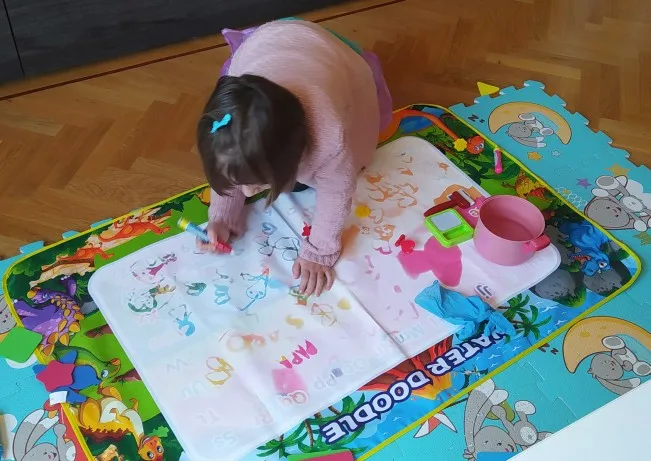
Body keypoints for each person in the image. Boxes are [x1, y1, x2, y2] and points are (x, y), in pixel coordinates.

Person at [196, 18, 392, 297]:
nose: (249, 192)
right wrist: (222, 218)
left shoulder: (329, 134)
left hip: (330, 59)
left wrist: (320, 252)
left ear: (296, 154)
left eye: (257, 183)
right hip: (270, 44)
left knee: (325, 176)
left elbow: (337, 190)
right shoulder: (227, 126)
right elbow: (229, 168)